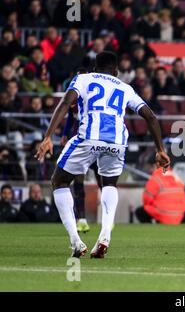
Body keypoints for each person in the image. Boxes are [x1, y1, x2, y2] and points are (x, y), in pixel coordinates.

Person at [35, 51, 171, 258]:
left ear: (94, 68)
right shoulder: (125, 87)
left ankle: (76, 241)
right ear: (116, 71)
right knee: (109, 184)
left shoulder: (83, 78)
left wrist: (47, 137)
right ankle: (105, 234)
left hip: (89, 137)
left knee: (60, 182)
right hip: (117, 142)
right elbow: (151, 117)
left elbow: (64, 104)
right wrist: (160, 150)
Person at [60, 67, 100, 234]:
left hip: (95, 142)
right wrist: (64, 134)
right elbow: (70, 117)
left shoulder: (96, 97)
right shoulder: (74, 98)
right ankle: (82, 219)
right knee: (78, 181)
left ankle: (106, 216)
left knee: (102, 180)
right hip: (80, 142)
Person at [135, 154, 185, 224]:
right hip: (179, 214)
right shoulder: (175, 176)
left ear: (155, 165)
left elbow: (147, 199)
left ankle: (149, 230)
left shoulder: (156, 178)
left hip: (163, 213)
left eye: (150, 168)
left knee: (140, 211)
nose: (150, 171)